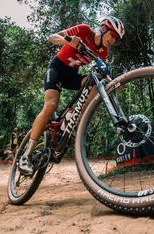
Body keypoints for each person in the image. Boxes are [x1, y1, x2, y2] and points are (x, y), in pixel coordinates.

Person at [19, 16, 125, 174]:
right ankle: (26, 155)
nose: (114, 41)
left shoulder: (103, 51)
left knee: (97, 84)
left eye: (117, 39)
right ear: (103, 29)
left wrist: (116, 82)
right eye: (113, 36)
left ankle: (73, 116)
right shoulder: (84, 30)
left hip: (72, 76)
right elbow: (52, 37)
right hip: (57, 70)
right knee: (51, 106)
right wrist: (68, 41)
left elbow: (103, 72)